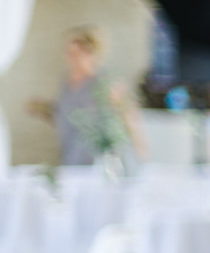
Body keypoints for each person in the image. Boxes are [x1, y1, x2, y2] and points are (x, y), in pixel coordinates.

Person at [27, 26, 141, 166]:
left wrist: (138, 148)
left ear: (90, 53)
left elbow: (124, 116)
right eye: (68, 53)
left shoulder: (104, 82)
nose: (70, 58)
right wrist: (43, 109)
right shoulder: (66, 83)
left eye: (75, 54)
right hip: (70, 156)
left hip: (96, 160)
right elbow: (66, 115)